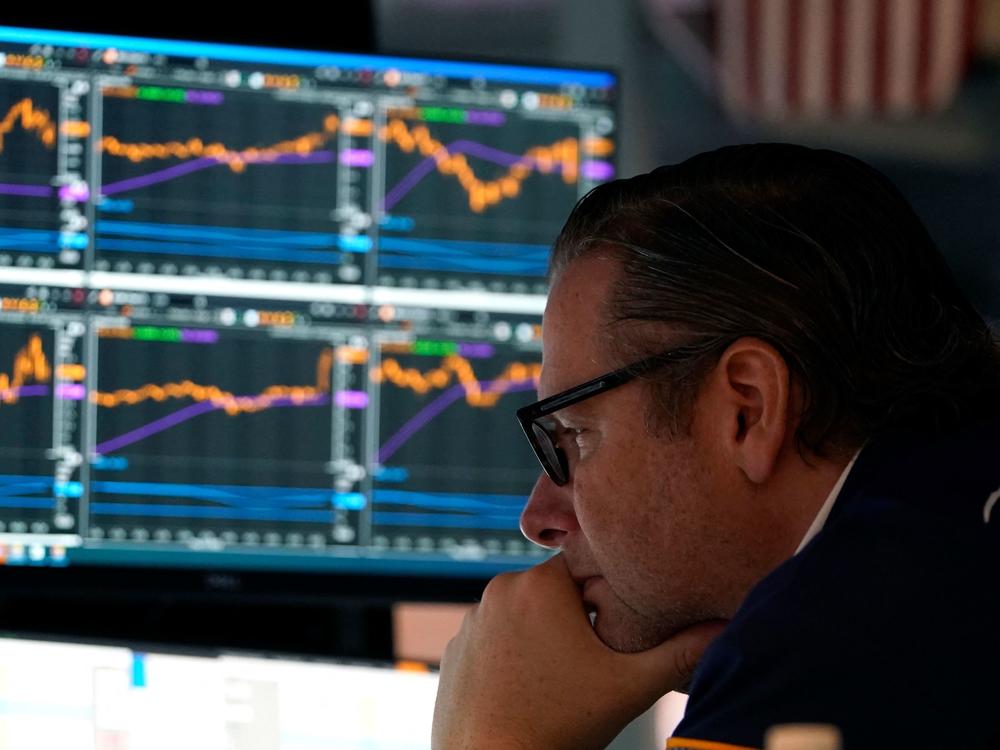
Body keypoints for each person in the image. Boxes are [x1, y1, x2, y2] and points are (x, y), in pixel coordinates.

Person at [431, 144, 1000, 749]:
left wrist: (496, 738)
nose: (538, 519)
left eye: (576, 433)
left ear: (747, 410)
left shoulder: (820, 656)